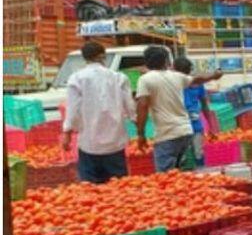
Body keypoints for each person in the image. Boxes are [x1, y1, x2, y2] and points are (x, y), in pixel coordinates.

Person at [136, 46, 222, 172]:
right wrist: (214, 75)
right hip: (185, 131)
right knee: (177, 173)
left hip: (167, 134)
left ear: (147, 62)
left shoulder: (144, 80)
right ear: (166, 61)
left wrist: (141, 134)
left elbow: (142, 106)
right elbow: (197, 79)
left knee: (165, 177)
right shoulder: (177, 76)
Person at [61, 41, 136, 183]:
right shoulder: (119, 77)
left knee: (90, 188)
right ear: (103, 56)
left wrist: (67, 134)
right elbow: (131, 108)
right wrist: (138, 127)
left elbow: (72, 109)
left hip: (89, 143)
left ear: (84, 58)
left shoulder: (77, 79)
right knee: (119, 186)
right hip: (115, 142)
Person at [174, 57, 215, 166]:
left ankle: (200, 174)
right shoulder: (174, 84)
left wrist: (211, 125)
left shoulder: (198, 85)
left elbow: (205, 105)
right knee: (182, 156)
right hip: (179, 126)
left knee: (198, 153)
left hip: (194, 125)